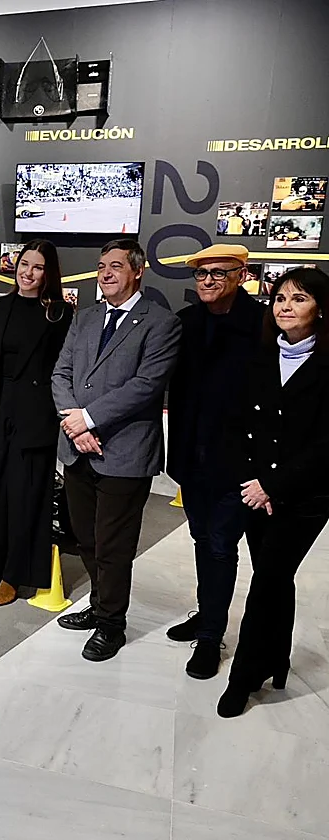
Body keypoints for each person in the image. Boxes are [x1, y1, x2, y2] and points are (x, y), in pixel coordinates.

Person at [51, 239, 180, 661]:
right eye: (101, 265)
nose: (105, 273)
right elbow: (61, 372)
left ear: (137, 271)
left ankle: (111, 624)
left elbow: (145, 387)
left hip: (124, 454)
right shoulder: (85, 317)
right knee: (85, 538)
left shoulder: (160, 323)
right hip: (78, 448)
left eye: (116, 266)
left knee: (113, 545)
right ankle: (99, 604)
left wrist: (87, 419)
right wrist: (76, 426)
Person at [218, 268, 329, 717]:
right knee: (274, 577)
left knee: (264, 583)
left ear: (320, 308)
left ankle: (243, 675)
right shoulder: (262, 355)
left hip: (306, 497)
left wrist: (273, 485)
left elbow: (325, 444)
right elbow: (243, 425)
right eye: (279, 297)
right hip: (256, 491)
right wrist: (253, 483)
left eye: (298, 299)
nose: (284, 306)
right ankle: (276, 660)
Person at [165, 244, 264, 679]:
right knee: (204, 541)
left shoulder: (263, 325)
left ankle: (211, 637)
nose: (207, 281)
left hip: (240, 466)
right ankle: (207, 615)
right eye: (202, 274)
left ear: (241, 275)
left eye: (219, 273)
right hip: (192, 457)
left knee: (221, 545)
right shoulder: (186, 323)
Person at [0, 240, 73, 607]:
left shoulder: (59, 314)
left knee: (25, 494)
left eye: (37, 267)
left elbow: (63, 370)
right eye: (24, 264)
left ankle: (15, 574)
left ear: (49, 274)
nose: (28, 273)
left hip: (35, 414)